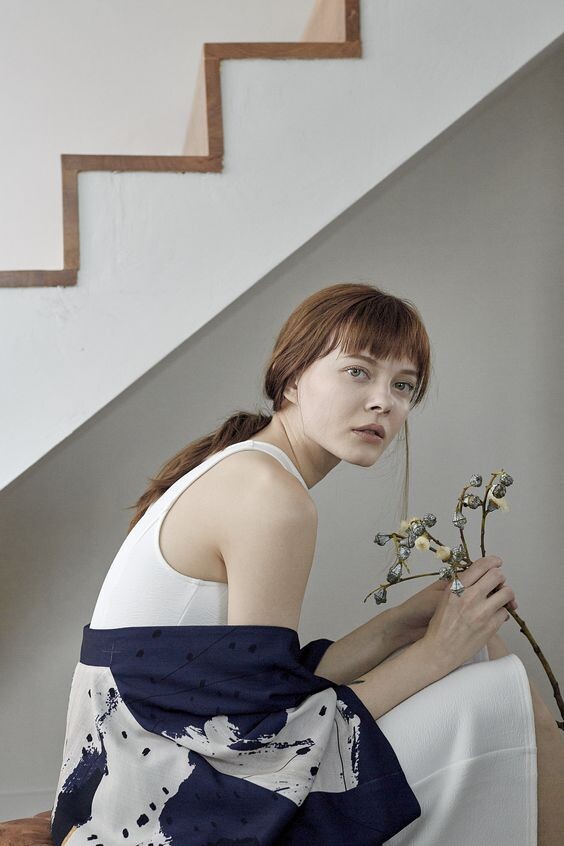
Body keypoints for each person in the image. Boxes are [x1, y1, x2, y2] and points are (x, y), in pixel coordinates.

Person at [50, 283, 563, 845]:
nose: (383, 402)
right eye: (358, 371)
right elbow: (265, 734)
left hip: (152, 780)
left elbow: (261, 690)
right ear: (292, 378)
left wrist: (404, 625)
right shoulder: (270, 495)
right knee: (504, 697)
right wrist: (436, 652)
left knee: (484, 662)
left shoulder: (251, 469)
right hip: (165, 811)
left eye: (403, 385)